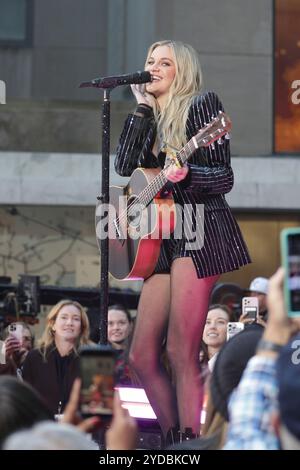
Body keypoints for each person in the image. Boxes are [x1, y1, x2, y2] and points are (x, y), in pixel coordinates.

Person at [114, 40, 251, 439]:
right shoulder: (149, 115)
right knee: (140, 355)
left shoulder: (202, 105)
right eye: (149, 61)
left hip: (199, 230)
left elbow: (224, 178)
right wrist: (141, 106)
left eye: (164, 63)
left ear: (183, 70)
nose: (153, 68)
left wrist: (186, 176)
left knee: (179, 351)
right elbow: (125, 166)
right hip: (160, 238)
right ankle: (173, 439)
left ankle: (195, 442)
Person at [22, 300, 90, 415]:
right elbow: (25, 399)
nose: (69, 323)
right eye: (64, 317)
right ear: (53, 324)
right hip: (41, 426)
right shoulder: (34, 358)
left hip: (76, 427)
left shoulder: (88, 359)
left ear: (81, 328)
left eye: (76, 319)